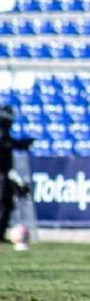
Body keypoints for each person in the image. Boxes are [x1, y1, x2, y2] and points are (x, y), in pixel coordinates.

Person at [0, 105, 33, 244]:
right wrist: (19, 144)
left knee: (7, 204)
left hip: (5, 173)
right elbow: (6, 145)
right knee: (3, 203)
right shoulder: (2, 133)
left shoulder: (5, 133)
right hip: (2, 174)